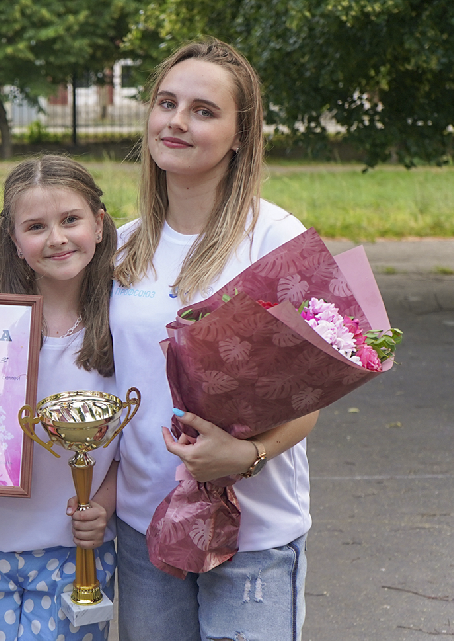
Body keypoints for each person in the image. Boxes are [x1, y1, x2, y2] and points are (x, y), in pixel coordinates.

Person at [110, 39, 316, 640]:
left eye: (203, 110)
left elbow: (313, 391)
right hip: (145, 531)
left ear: (239, 135)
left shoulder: (275, 237)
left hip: (254, 536)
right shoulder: (121, 248)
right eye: (166, 103)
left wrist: (247, 456)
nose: (176, 121)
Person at [0, 156, 121, 641]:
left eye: (70, 220)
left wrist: (103, 505)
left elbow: (140, 441)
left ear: (98, 224)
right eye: (36, 226)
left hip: (75, 559)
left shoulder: (125, 329)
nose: (56, 238)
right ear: (14, 241)